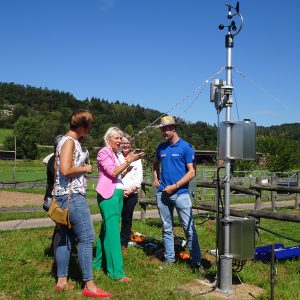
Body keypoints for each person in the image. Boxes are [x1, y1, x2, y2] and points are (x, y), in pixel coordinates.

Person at [52, 109, 112, 298]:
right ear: (83, 126)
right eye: (90, 125)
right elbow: (65, 169)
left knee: (65, 238)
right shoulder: (70, 142)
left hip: (62, 196)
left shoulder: (63, 141)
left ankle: (62, 281)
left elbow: (56, 168)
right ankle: (89, 285)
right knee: (86, 238)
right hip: (73, 197)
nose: (90, 129)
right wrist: (85, 168)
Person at [93, 127, 144, 281]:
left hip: (117, 193)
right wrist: (128, 161)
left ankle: (97, 264)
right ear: (108, 138)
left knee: (106, 231)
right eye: (117, 138)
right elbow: (112, 172)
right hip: (109, 195)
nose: (120, 141)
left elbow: (118, 174)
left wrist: (128, 166)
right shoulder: (104, 152)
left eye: (121, 138)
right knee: (114, 233)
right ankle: (116, 273)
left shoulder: (115, 154)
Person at [152, 115, 201, 269]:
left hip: (181, 194)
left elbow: (191, 172)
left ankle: (196, 262)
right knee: (167, 228)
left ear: (173, 128)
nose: (163, 132)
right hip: (163, 194)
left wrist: (175, 186)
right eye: (161, 129)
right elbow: (155, 164)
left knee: (189, 228)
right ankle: (169, 260)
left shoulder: (186, 147)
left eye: (165, 129)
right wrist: (155, 178)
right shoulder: (161, 147)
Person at [119, 133, 143, 250]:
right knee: (114, 217)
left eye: (128, 143)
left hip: (131, 194)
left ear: (131, 145)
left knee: (127, 218)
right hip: (118, 192)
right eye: (123, 143)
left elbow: (139, 178)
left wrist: (132, 189)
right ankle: (112, 240)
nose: (126, 145)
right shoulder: (116, 157)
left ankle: (123, 242)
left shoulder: (136, 160)